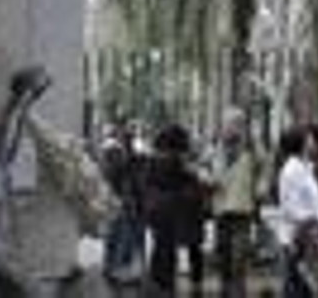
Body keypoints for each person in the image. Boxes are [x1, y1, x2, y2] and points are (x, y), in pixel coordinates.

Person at [142, 124, 209, 296]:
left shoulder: (153, 159)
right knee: (175, 251)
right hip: (175, 212)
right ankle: (171, 287)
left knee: (161, 249)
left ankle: (157, 284)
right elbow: (193, 185)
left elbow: (147, 185)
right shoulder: (179, 161)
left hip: (157, 211)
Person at [277, 126, 318, 298]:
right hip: (300, 238)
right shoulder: (292, 170)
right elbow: (293, 208)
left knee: (307, 286)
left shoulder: (306, 167)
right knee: (298, 287)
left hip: (310, 236)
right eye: (308, 139)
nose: (313, 142)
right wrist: (312, 224)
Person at [215, 110, 262, 298]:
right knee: (224, 255)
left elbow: (265, 168)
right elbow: (205, 166)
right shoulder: (216, 146)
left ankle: (237, 291)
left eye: (235, 124)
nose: (229, 127)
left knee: (239, 257)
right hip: (220, 208)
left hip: (242, 207)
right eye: (227, 123)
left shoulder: (251, 147)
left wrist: (260, 189)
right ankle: (225, 290)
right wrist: (206, 179)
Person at [99, 120, 145, 283]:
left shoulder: (120, 153)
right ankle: (116, 269)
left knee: (117, 235)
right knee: (120, 235)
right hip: (121, 201)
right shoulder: (117, 152)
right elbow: (120, 176)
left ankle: (111, 268)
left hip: (120, 200)